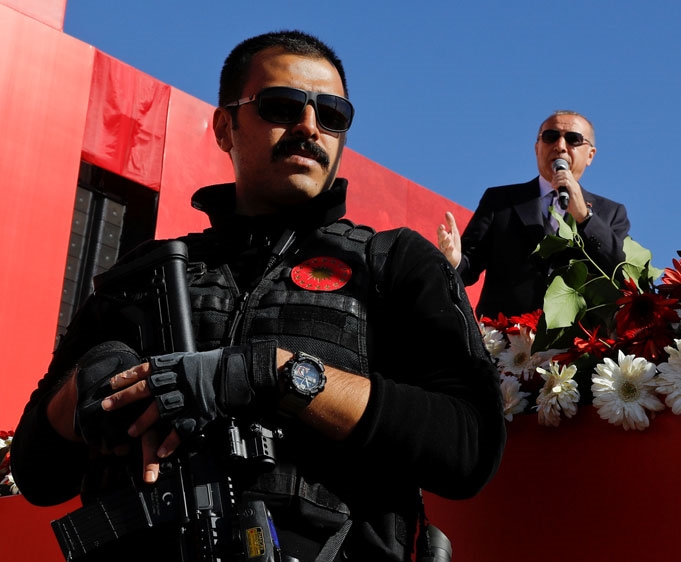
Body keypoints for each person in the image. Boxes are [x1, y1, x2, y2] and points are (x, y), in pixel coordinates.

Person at [12, 30, 505, 562]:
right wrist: (89, 386)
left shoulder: (396, 264)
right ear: (225, 126)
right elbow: (37, 472)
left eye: (332, 114)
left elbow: (469, 446)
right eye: (282, 106)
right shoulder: (143, 276)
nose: (309, 128)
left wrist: (273, 373)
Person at [437, 111, 631, 319]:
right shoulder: (500, 201)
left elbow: (622, 273)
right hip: (505, 341)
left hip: (575, 343)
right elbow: (468, 267)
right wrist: (454, 260)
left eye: (573, 139)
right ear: (537, 147)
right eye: (550, 136)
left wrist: (584, 216)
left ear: (590, 155)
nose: (560, 146)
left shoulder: (611, 213)